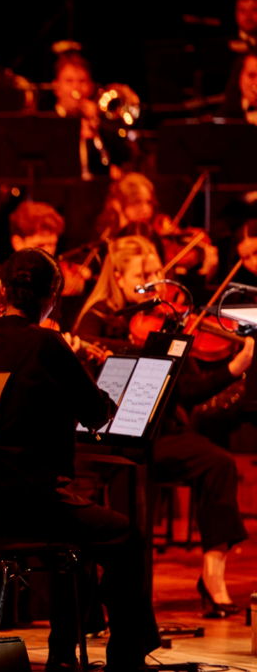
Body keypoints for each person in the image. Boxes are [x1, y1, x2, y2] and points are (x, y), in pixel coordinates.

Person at [0, 247, 160, 671]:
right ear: (52, 296)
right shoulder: (46, 342)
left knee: (81, 546)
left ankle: (63, 652)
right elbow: (94, 411)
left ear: (5, 288)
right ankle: (125, 658)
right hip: (34, 502)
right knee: (125, 537)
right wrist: (107, 401)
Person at [73, 235, 251, 616]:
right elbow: (86, 356)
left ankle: (212, 576)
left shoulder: (169, 319)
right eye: (144, 274)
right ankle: (122, 599)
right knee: (127, 487)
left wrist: (233, 368)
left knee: (219, 463)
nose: (157, 281)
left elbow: (188, 391)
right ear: (119, 277)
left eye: (158, 272)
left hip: (162, 431)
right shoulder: (98, 316)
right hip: (113, 434)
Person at [51, 51, 125, 181]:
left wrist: (97, 125)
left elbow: (116, 160)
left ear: (91, 86)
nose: (76, 88)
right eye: (69, 81)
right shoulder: (47, 121)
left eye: (82, 81)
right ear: (56, 87)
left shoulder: (101, 123)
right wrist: (74, 134)